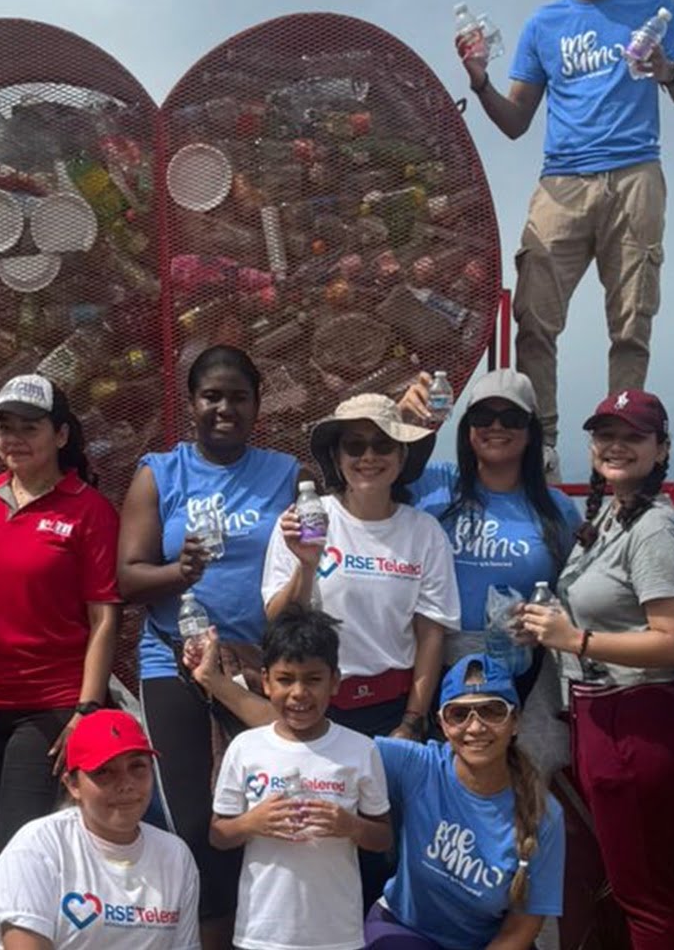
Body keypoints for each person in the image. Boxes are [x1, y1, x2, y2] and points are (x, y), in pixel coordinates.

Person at [462, 0, 674, 469]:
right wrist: (480, 81)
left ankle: (621, 442)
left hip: (635, 173)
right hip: (563, 181)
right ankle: (541, 447)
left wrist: (668, 72)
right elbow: (516, 120)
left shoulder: (656, 7)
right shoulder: (544, 24)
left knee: (632, 320)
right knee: (534, 318)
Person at [186, 642, 566, 950]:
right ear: (442, 723)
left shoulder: (544, 815)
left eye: (492, 711)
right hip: (404, 929)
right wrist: (215, 682)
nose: (476, 727)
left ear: (516, 721)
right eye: (459, 714)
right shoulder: (419, 765)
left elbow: (522, 925)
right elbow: (309, 735)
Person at [116, 346, 298, 950]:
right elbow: (127, 579)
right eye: (211, 396)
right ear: (191, 403)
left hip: (259, 665)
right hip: (174, 658)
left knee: (268, 803)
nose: (224, 408)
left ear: (257, 405)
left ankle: (266, 934)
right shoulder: (160, 473)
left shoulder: (285, 474)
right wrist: (180, 572)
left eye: (238, 397)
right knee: (194, 820)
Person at [512, 389, 674, 950]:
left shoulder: (655, 528)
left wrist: (576, 639)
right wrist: (548, 628)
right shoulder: (613, 513)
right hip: (600, 715)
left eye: (633, 436)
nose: (616, 446)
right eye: (605, 435)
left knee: (644, 893)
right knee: (618, 884)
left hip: (637, 717)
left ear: (662, 448)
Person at [0, 374, 120, 851]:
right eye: (5, 428)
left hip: (49, 706)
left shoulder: (90, 510)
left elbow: (103, 619)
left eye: (29, 427)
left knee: (22, 844)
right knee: (3, 846)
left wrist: (87, 709)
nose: (14, 439)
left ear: (61, 435)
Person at [262, 394, 460, 742]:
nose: (369, 457)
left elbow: (430, 635)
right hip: (314, 707)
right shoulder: (304, 520)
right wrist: (306, 566)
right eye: (354, 447)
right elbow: (279, 621)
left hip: (393, 710)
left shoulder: (425, 532)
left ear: (402, 456)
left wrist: (412, 722)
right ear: (337, 458)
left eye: (383, 445)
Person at [210, 607, 392, 950]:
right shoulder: (245, 748)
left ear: (335, 681)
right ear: (266, 681)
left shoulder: (360, 750)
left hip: (336, 935)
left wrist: (350, 826)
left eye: (313, 679)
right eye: (285, 679)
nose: (298, 692)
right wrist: (251, 822)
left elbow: (383, 837)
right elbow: (218, 834)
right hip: (262, 933)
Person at [397, 369, 580, 678]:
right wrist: (400, 419)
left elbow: (576, 596)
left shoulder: (557, 508)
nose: (496, 426)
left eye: (512, 418)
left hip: (520, 670)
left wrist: (544, 623)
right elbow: (360, 479)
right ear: (467, 428)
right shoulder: (433, 483)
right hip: (434, 666)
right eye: (482, 417)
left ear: (531, 431)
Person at [0, 709, 201, 950]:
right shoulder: (36, 847)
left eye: (137, 766)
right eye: (104, 772)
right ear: (73, 785)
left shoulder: (175, 855)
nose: (126, 784)